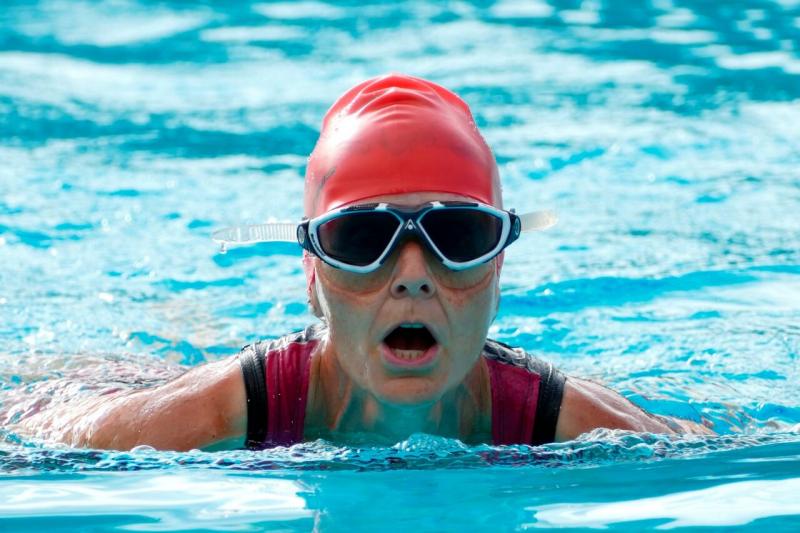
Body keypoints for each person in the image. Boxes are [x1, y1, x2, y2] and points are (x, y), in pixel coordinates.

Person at [14, 74, 710, 451]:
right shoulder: (214, 411)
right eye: (359, 240)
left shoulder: (575, 421)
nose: (412, 274)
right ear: (311, 275)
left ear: (498, 269)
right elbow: (37, 429)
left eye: (458, 235)